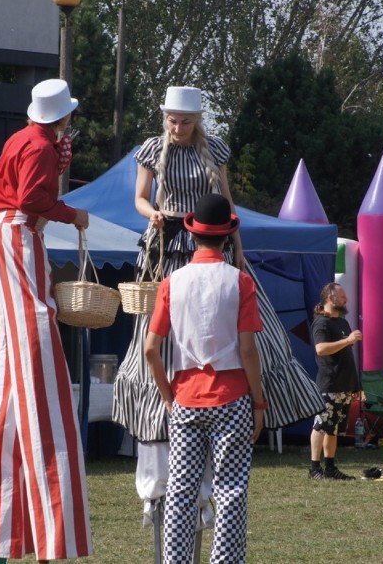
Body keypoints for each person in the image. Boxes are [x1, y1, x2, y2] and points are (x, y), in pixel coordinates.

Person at [113, 86, 324, 505]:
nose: (177, 127)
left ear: (198, 121)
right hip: (167, 242)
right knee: (154, 337)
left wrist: (239, 251)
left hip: (211, 241)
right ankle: (161, 407)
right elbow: (138, 198)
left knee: (250, 327)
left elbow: (228, 205)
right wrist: (150, 212)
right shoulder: (152, 148)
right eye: (172, 120)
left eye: (185, 121)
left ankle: (254, 400)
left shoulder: (215, 149)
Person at [0, 78, 91, 563]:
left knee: (18, 358)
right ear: (62, 116)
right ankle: (50, 539)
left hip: (9, 231)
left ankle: (10, 543)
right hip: (19, 231)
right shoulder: (41, 147)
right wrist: (72, 215)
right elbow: (31, 200)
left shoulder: (23, 138)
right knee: (37, 339)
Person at [144, 194, 266, 564]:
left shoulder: (171, 282)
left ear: (193, 235)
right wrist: (259, 403)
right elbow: (248, 350)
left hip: (185, 397)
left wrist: (168, 396)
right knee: (230, 491)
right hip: (231, 397)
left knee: (181, 490)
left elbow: (151, 349)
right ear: (227, 238)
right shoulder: (240, 282)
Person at [308, 282, 361, 480]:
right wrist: (348, 340)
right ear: (331, 298)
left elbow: (347, 357)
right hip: (329, 384)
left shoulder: (342, 322)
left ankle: (330, 467)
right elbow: (320, 349)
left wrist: (355, 384)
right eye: (342, 296)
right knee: (321, 425)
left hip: (344, 384)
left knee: (335, 428)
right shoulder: (322, 323)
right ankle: (314, 468)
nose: (346, 299)